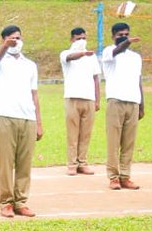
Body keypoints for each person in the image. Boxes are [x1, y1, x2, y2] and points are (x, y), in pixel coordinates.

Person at [0, 26, 43, 218]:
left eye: (18, 38)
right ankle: (6, 202)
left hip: (27, 118)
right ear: (4, 40)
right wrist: (5, 46)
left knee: (24, 163)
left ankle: (21, 201)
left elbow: (34, 94)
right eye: (12, 38)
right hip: (4, 117)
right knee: (5, 162)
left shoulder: (30, 65)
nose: (16, 41)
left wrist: (38, 122)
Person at [101, 23, 145, 191]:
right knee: (114, 141)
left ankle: (125, 176)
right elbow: (117, 50)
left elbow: (139, 80)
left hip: (133, 101)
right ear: (113, 36)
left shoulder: (135, 57)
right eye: (120, 34)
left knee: (129, 142)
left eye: (126, 34)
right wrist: (125, 42)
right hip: (116, 101)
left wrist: (142, 104)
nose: (124, 36)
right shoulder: (108, 52)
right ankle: (113, 177)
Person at [60, 27, 101, 175]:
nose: (81, 41)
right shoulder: (65, 54)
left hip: (88, 98)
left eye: (83, 38)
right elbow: (71, 57)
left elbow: (96, 78)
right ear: (72, 39)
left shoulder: (92, 57)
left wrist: (97, 99)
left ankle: (82, 162)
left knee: (86, 133)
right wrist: (83, 53)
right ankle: (72, 163)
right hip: (72, 97)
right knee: (73, 133)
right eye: (78, 38)